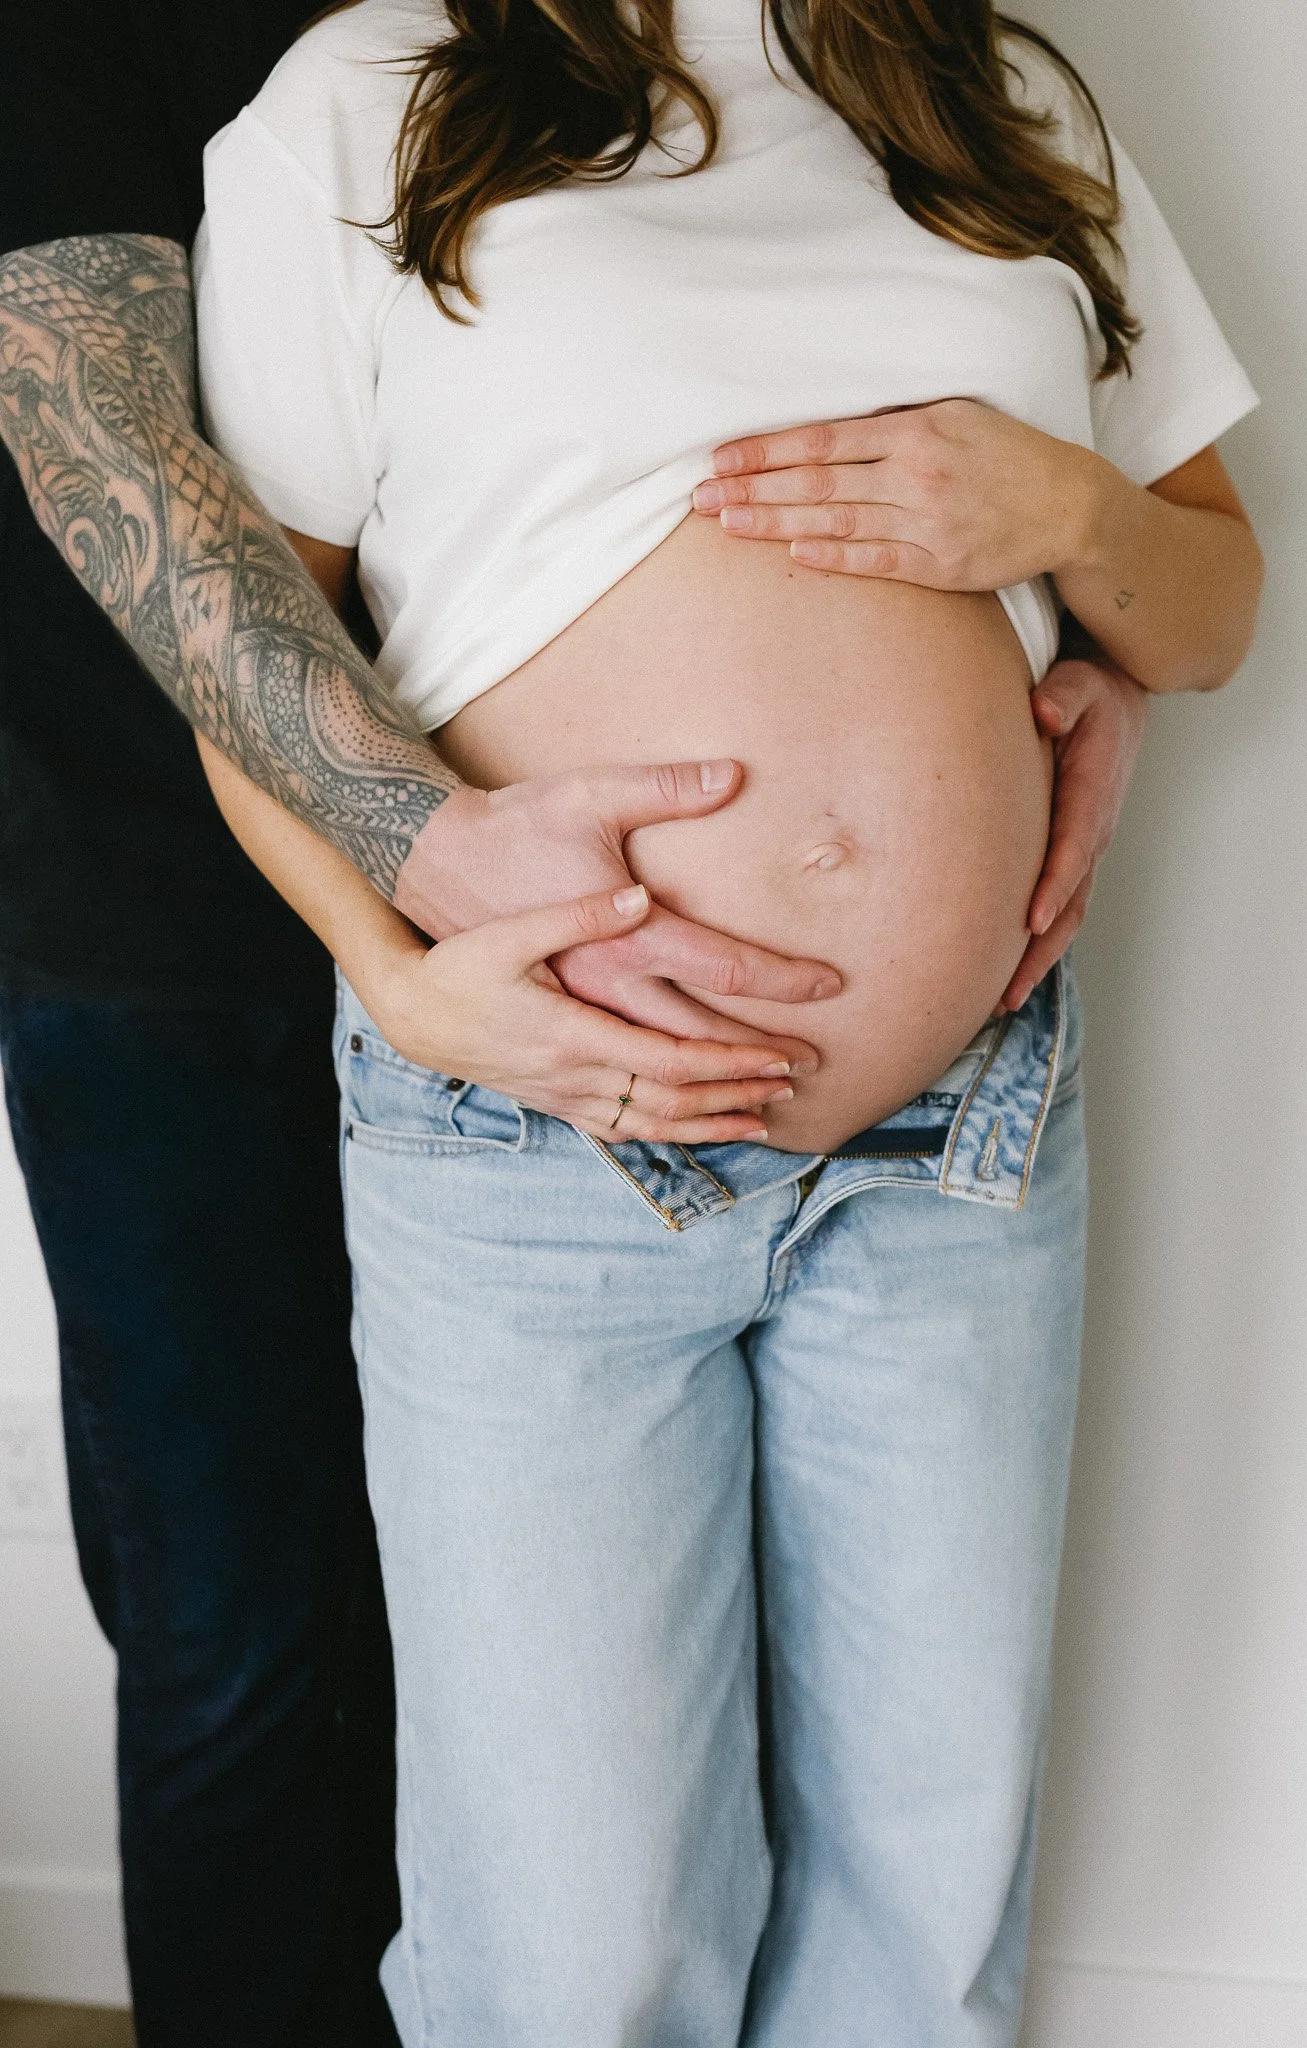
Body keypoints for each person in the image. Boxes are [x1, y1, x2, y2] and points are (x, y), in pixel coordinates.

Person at [188, 0, 1262, 2039]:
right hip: (536, 1149)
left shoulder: (997, 98)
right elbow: (249, 666)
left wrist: (1061, 520)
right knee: (572, 1964)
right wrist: (403, 977)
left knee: (916, 1942)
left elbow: (1214, 606)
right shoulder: (370, 101)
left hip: (958, 1148)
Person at [0, 5, 854, 2042]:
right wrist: (418, 854)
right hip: (173, 935)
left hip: (627, 940)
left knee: (615, 1659)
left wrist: (1052, 637)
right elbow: (95, 428)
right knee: (254, 1623)